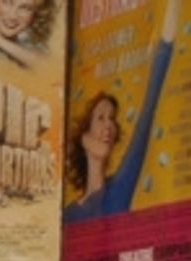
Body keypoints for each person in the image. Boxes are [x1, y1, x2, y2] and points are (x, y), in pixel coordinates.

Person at [65, 0, 177, 223]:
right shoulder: (67, 214)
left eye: (113, 119)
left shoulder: (119, 186)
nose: (109, 125)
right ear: (84, 138)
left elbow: (149, 105)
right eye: (101, 118)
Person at [0, 0, 55, 66]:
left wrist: (0, 41)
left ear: (34, 15)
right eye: (7, 2)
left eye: (25, 8)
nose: (12, 16)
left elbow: (47, 67)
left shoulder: (27, 40)